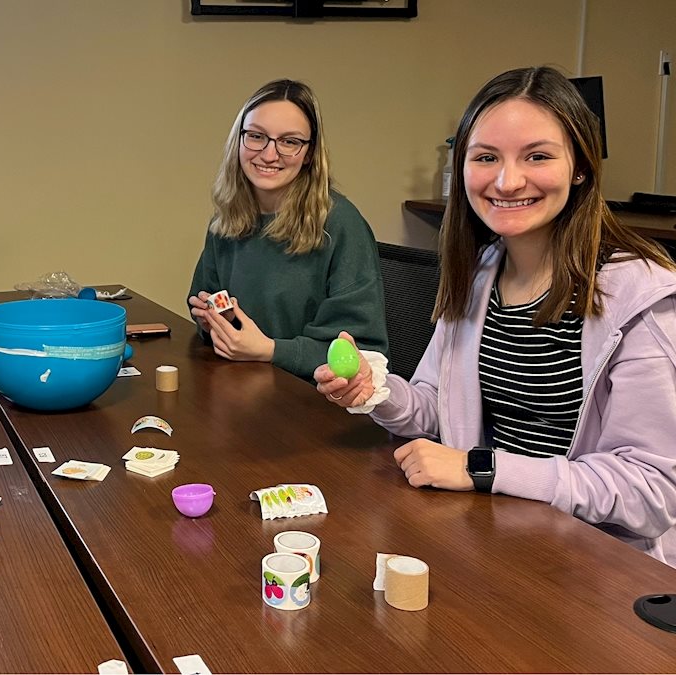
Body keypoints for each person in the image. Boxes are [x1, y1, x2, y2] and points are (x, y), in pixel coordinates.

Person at [315, 66, 676, 566]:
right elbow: (440, 410)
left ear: (580, 168)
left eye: (538, 156)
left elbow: (651, 489)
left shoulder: (640, 295)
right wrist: (376, 391)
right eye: (486, 157)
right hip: (493, 540)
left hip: (597, 564)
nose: (507, 180)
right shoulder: (480, 272)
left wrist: (481, 469)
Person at [187, 79, 388, 382]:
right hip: (244, 384)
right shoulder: (228, 218)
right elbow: (206, 305)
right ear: (239, 141)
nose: (269, 155)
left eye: (289, 141)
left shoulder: (340, 224)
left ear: (309, 153)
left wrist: (269, 350)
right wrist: (215, 321)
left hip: (313, 401)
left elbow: (364, 353)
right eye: (256, 137)